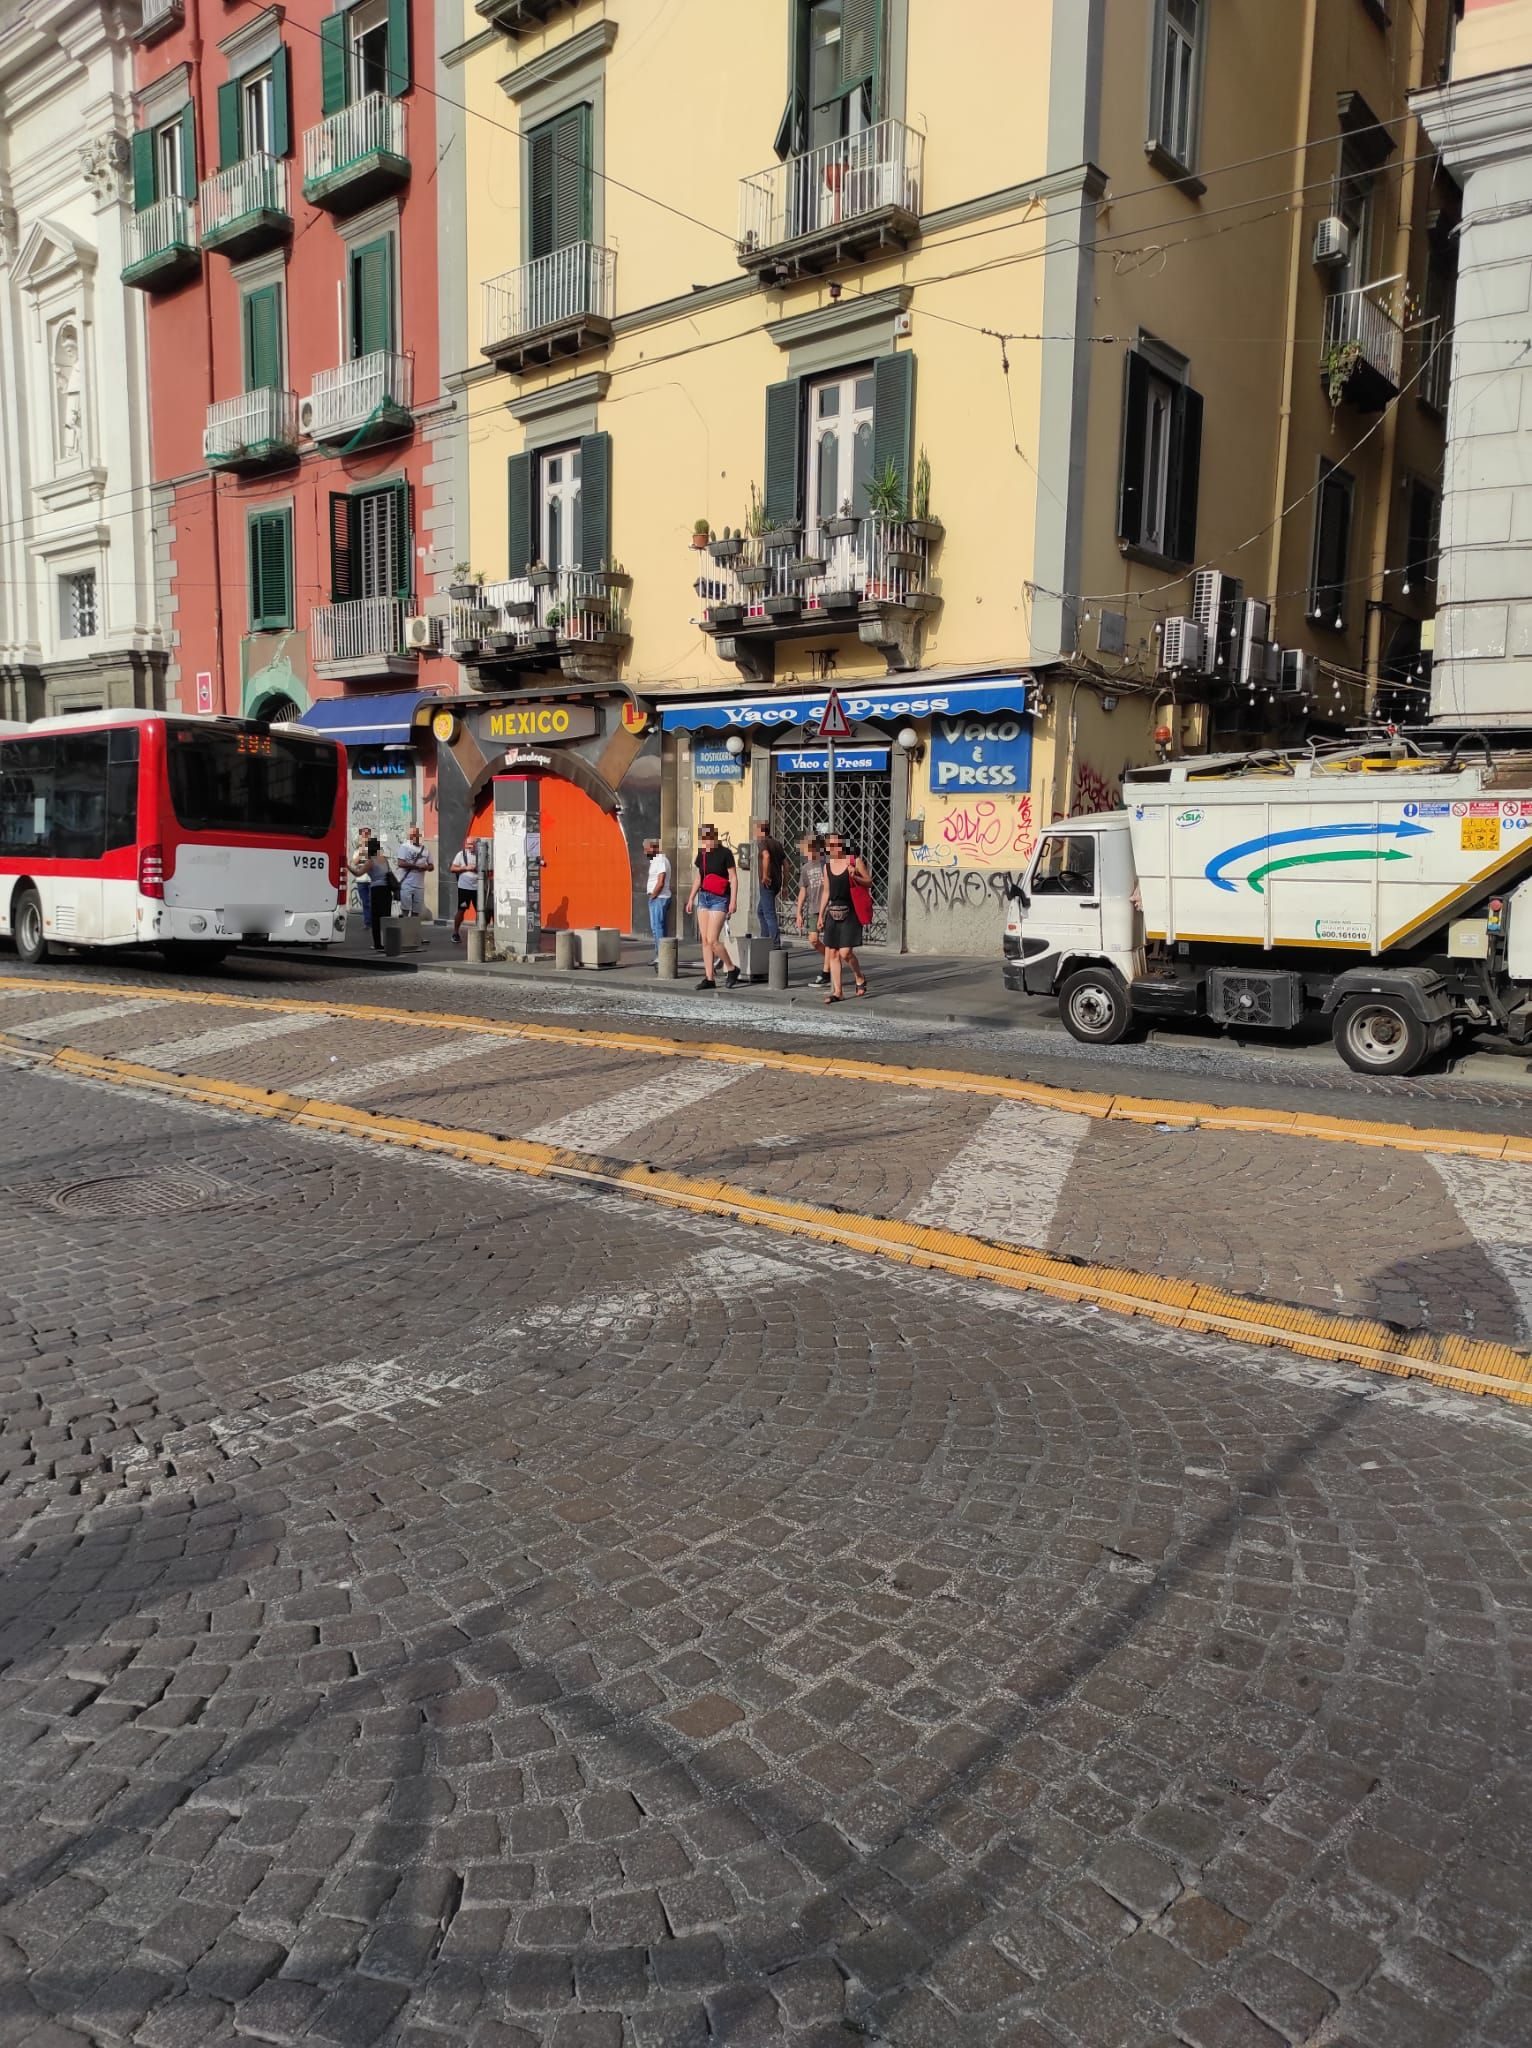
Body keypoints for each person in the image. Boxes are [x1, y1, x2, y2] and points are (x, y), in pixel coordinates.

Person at [684, 823, 738, 991]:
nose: (706, 843)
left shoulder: (725, 853)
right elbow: (699, 878)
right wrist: (691, 898)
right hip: (704, 897)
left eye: (708, 839)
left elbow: (733, 878)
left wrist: (733, 901)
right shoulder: (702, 854)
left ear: (714, 838)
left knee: (713, 940)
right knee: (705, 941)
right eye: (703, 840)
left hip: (720, 898)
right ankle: (709, 978)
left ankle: (731, 968)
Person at [817, 830, 868, 1002]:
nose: (833, 848)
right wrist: (821, 914)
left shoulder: (854, 861)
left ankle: (859, 976)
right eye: (829, 845)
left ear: (842, 844)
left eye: (836, 844)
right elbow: (826, 892)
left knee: (845, 953)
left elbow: (869, 882)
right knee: (832, 953)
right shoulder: (827, 866)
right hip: (833, 911)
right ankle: (838, 992)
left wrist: (855, 876)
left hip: (850, 911)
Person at [795, 832, 831, 988]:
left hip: (828, 908)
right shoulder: (806, 868)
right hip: (813, 908)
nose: (806, 853)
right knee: (813, 939)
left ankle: (826, 972)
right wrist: (798, 912)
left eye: (808, 849)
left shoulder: (827, 864)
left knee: (829, 941)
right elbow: (803, 890)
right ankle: (831, 959)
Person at [754, 818, 785, 944]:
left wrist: (765, 875)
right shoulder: (777, 844)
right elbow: (786, 865)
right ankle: (765, 939)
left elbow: (766, 856)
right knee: (761, 911)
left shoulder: (763, 842)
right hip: (777, 882)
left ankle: (775, 943)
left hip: (767, 884)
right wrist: (785, 885)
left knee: (769, 914)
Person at [645, 836, 672, 966]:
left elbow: (661, 880)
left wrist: (653, 895)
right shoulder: (657, 860)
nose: (645, 852)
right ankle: (662, 956)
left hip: (659, 898)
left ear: (654, 848)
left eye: (646, 849)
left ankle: (661, 956)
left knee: (657, 928)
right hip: (659, 897)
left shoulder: (660, 860)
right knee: (659, 927)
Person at [396, 826, 433, 918]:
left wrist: (426, 867)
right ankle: (404, 925)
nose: (415, 837)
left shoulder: (425, 850)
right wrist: (417, 866)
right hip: (407, 883)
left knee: (416, 911)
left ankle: (413, 926)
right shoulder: (405, 847)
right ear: (409, 836)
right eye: (412, 835)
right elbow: (400, 863)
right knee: (405, 909)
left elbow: (431, 866)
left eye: (416, 834)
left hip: (419, 885)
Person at [364, 837, 394, 952]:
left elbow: (358, 873)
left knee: (375, 918)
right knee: (386, 917)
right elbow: (389, 872)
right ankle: (389, 942)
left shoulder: (370, 861)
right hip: (387, 890)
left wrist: (347, 866)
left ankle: (377, 944)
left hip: (376, 890)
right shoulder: (384, 859)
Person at [451, 841, 478, 940]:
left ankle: (480, 933)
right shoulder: (461, 854)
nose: (470, 847)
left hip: (478, 888)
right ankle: (455, 933)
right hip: (464, 888)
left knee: (480, 911)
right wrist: (466, 868)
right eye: (468, 845)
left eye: (472, 845)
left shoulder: (481, 854)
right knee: (461, 910)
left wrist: (477, 869)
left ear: (476, 845)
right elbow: (452, 868)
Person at [349, 828, 374, 933]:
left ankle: (374, 922)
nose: (365, 838)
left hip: (372, 879)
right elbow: (354, 862)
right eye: (363, 836)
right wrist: (362, 851)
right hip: (361, 880)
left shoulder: (374, 849)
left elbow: (377, 861)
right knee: (365, 902)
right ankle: (367, 923)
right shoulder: (357, 850)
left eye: (367, 835)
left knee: (373, 902)